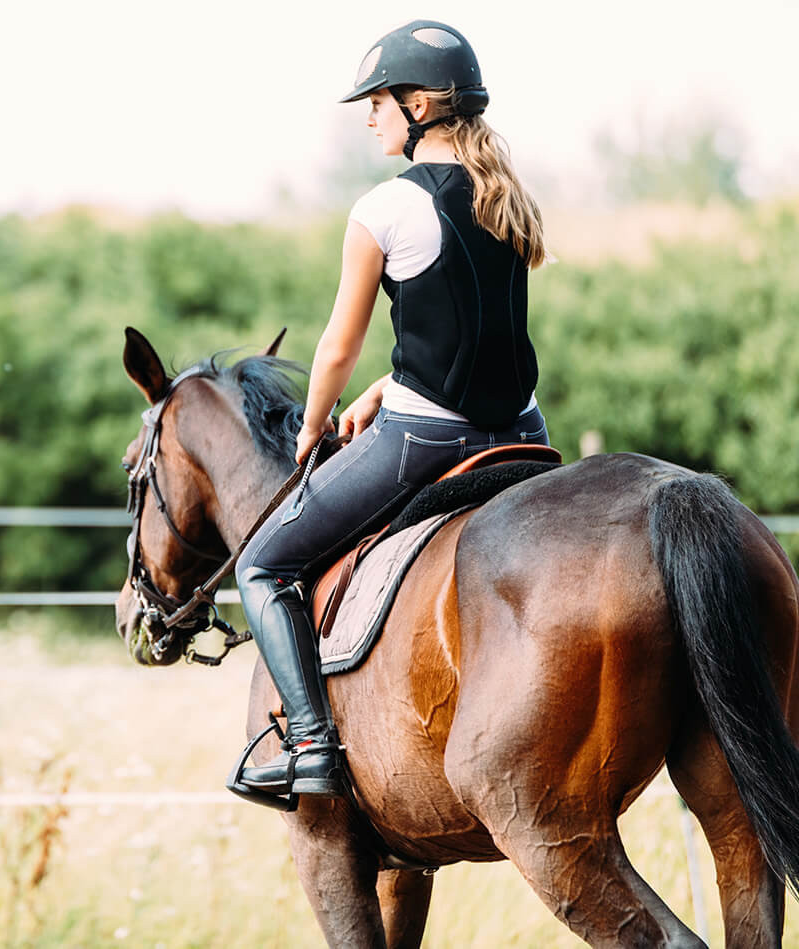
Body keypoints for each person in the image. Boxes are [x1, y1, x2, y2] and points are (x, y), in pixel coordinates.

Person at [232, 19, 552, 798]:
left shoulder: (384, 207)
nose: (369, 116)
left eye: (377, 102)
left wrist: (313, 427)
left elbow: (336, 349)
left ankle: (309, 745)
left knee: (262, 564)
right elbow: (469, 328)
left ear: (417, 105)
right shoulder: (508, 196)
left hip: (428, 440)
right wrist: (390, 381)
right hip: (526, 434)